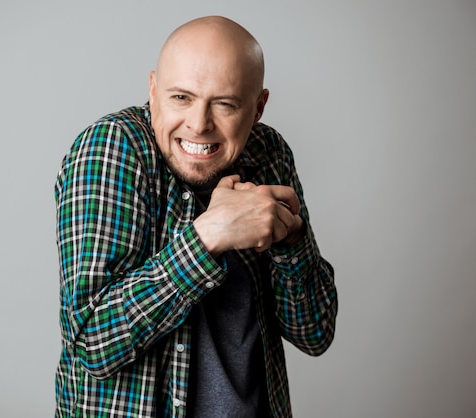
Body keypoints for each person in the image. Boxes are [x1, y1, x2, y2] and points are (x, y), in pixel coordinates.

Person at [54, 16, 338, 418]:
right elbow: (93, 345)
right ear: (153, 90)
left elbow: (315, 334)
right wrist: (207, 237)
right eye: (181, 98)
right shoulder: (113, 150)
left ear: (258, 108)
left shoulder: (269, 155)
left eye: (224, 104)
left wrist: (292, 246)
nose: (199, 124)